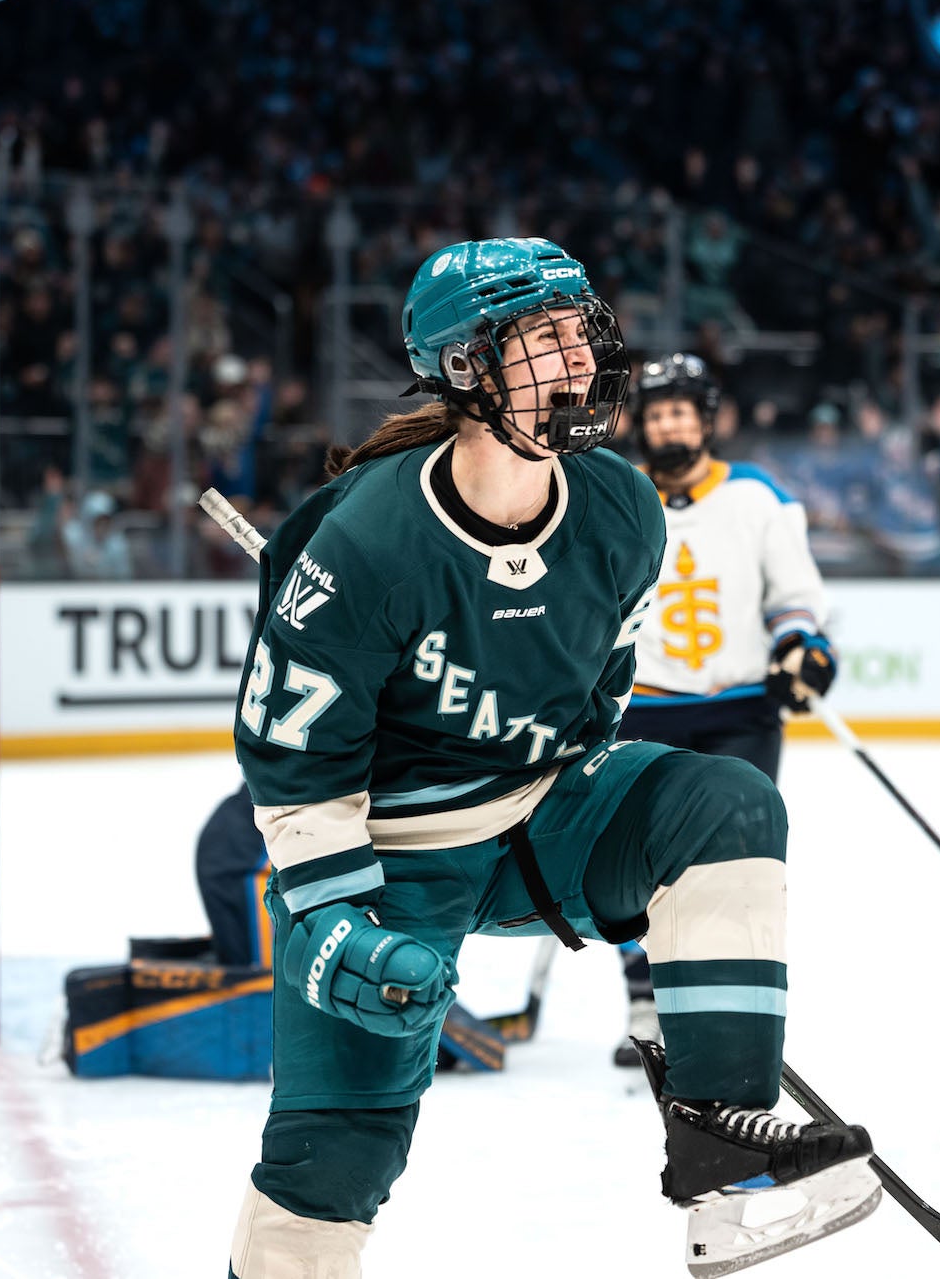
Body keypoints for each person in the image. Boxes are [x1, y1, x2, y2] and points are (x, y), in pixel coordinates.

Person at [226, 239, 876, 1279]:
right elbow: (292, 763)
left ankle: (719, 1158)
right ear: (465, 369)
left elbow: (600, 697)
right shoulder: (366, 542)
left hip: (535, 817)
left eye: (582, 329)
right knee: (336, 1152)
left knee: (727, 802)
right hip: (390, 855)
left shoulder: (617, 510)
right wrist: (333, 921)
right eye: (542, 338)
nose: (579, 358)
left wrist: (580, 809)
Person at [608, 352, 835, 1066]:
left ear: (707, 420)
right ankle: (645, 999)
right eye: (656, 412)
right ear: (640, 424)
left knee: (733, 865)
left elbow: (794, 591)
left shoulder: (757, 496)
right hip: (641, 708)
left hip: (741, 709)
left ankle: (725, 1008)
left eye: (680, 410)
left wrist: (802, 643)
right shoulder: (615, 496)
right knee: (634, 866)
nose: (668, 423)